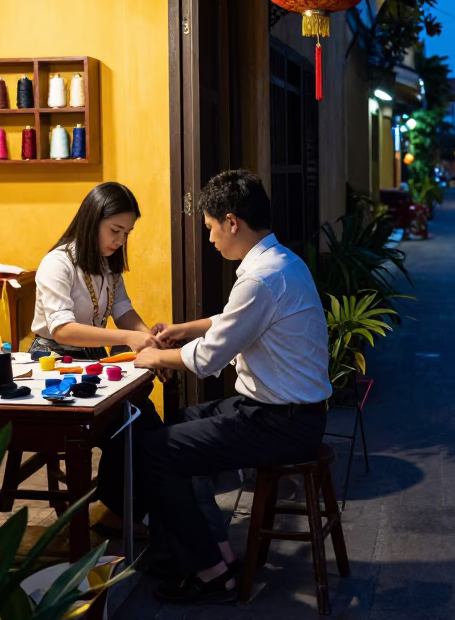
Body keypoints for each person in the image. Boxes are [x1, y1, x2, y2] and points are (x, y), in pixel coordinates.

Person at [132, 169, 331, 606]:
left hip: (281, 423)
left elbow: (207, 360)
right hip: (291, 413)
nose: (211, 240)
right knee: (181, 423)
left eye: (210, 229)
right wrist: (184, 329)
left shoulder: (260, 278)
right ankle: (214, 551)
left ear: (231, 221)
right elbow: (232, 321)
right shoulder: (279, 262)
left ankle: (211, 573)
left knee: (157, 450)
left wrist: (149, 357)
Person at [28, 181, 160, 535]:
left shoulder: (108, 264)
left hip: (92, 357)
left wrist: (147, 339)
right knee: (128, 420)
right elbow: (63, 330)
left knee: (141, 419)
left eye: (126, 233)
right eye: (115, 230)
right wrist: (127, 338)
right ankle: (115, 510)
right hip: (54, 362)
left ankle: (119, 508)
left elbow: (123, 309)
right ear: (92, 220)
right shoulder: (57, 263)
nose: (120, 240)